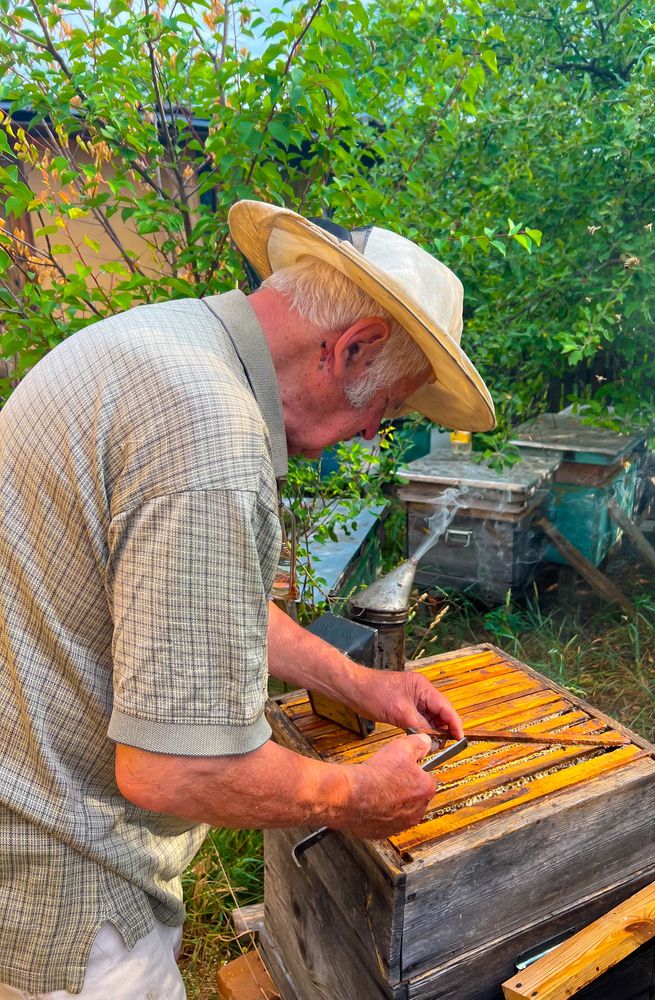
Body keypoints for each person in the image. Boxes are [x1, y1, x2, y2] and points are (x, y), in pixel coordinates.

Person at [0, 200, 495, 998]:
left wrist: (358, 682)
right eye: (389, 407)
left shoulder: (165, 345)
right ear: (353, 346)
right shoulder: (211, 439)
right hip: (69, 903)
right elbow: (170, 771)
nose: (375, 433)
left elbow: (196, 609)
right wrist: (353, 796)